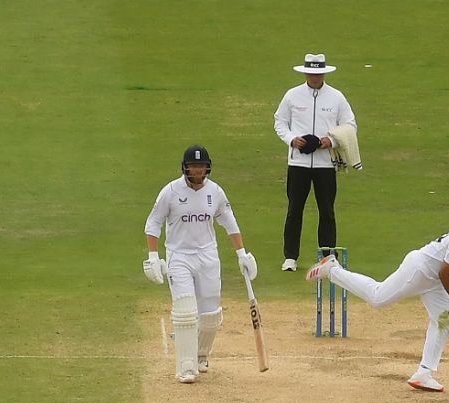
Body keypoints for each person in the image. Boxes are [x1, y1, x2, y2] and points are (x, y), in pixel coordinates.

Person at [306, 205, 449, 392]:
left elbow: (444, 273)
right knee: (377, 298)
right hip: (419, 271)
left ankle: (424, 373)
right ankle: (332, 270)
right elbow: (445, 273)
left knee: (444, 321)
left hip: (434, 281)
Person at [143, 145, 258, 383]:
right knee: (185, 310)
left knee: (210, 315)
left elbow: (229, 222)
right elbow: (153, 222)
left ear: (207, 168)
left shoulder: (215, 192)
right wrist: (153, 256)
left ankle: (201, 354)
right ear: (185, 167)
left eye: (201, 166)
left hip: (207, 256)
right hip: (179, 256)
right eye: (193, 166)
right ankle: (185, 366)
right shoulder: (171, 191)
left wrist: (242, 254)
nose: (197, 170)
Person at [273, 53, 357, 272]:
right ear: (305, 73)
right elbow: (280, 122)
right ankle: (290, 257)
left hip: (325, 164)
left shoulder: (336, 97)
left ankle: (328, 256)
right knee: (294, 210)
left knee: (327, 211)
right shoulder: (292, 95)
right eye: (311, 73)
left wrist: (332, 141)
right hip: (298, 163)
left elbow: (349, 125)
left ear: (324, 74)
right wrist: (292, 139)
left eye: (318, 73)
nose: (315, 77)